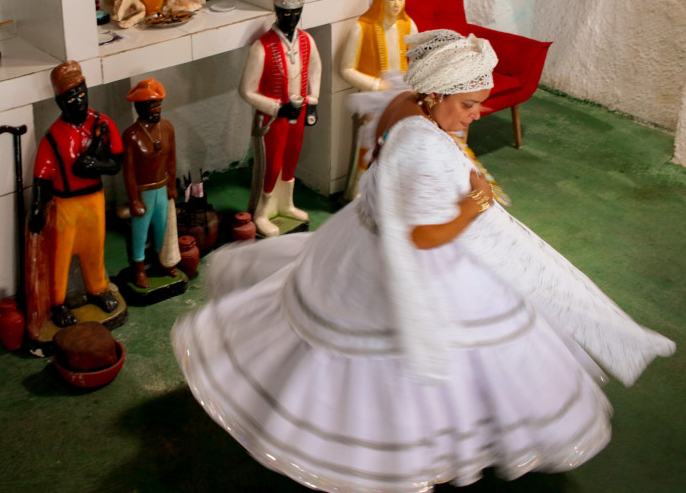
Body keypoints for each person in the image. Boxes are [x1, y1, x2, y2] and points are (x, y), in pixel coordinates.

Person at [173, 29, 674, 493]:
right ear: (437, 95)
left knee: (326, 329)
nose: (477, 114)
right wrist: (473, 204)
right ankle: (401, 447)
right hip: (402, 260)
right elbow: (424, 238)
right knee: (425, 352)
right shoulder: (426, 149)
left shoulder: (404, 102)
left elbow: (387, 158)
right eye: (469, 105)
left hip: (357, 238)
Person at [29, 61, 123, 328]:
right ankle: (56, 303)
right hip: (64, 203)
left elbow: (116, 162)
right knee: (60, 253)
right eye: (70, 96)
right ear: (59, 101)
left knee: (94, 248)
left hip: (93, 199)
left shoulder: (102, 124)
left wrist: (99, 165)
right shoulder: (53, 136)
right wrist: (37, 206)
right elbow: (42, 175)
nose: (78, 100)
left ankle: (98, 289)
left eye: (81, 92)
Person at [239, 0, 322, 238]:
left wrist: (313, 101)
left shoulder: (307, 40)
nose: (291, 18)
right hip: (271, 120)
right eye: (286, 13)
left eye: (296, 13)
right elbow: (246, 90)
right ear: (276, 11)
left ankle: (286, 204)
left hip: (297, 115)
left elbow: (316, 69)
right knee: (271, 165)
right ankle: (262, 212)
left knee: (291, 159)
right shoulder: (261, 46)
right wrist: (276, 108)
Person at [339, 0, 418, 200]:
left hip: (403, 97)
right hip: (374, 99)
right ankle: (359, 192)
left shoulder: (409, 25)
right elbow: (346, 69)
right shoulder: (361, 28)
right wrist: (376, 85)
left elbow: (419, 59)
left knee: (402, 145)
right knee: (370, 145)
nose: (397, 5)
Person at [122, 78, 179, 288]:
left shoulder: (167, 128)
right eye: (152, 105)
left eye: (158, 105)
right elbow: (128, 172)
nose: (157, 109)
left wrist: (172, 185)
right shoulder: (131, 136)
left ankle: (162, 262)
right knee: (140, 233)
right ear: (140, 107)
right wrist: (134, 199)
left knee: (162, 229)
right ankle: (139, 269)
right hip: (143, 193)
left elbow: (172, 159)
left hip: (162, 189)